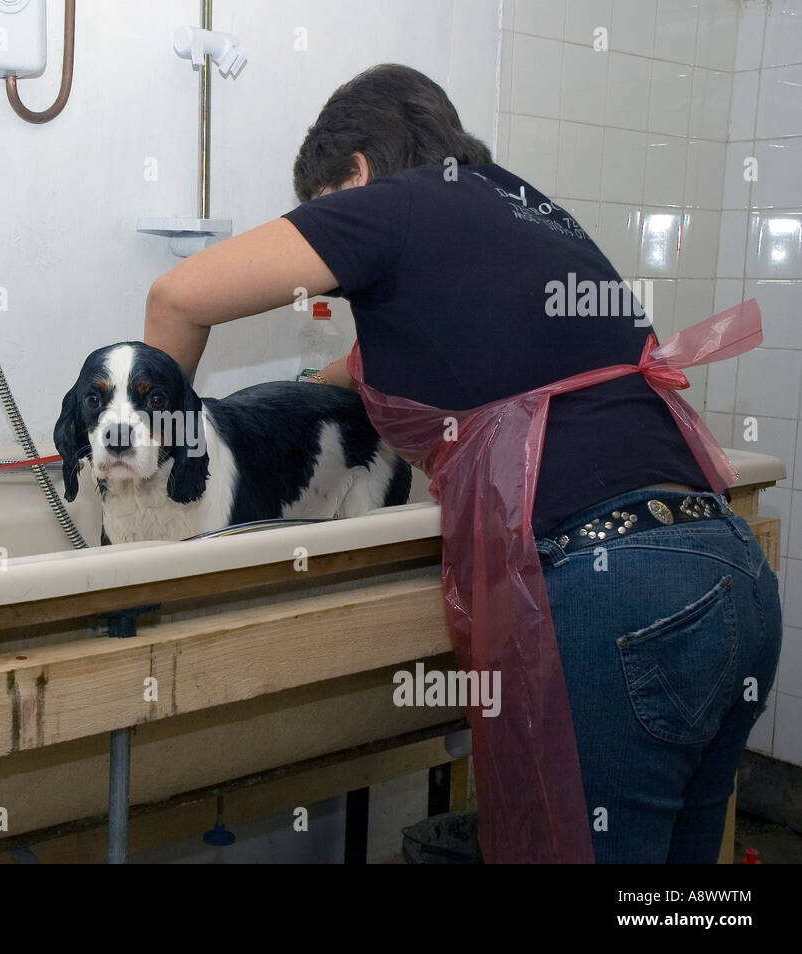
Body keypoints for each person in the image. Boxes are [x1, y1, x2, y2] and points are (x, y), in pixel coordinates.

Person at [143, 63, 782, 863]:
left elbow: (177, 298)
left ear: (358, 176)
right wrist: (293, 398)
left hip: (614, 602)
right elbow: (367, 368)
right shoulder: (521, 206)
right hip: (728, 573)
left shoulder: (392, 204)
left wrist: (160, 457)